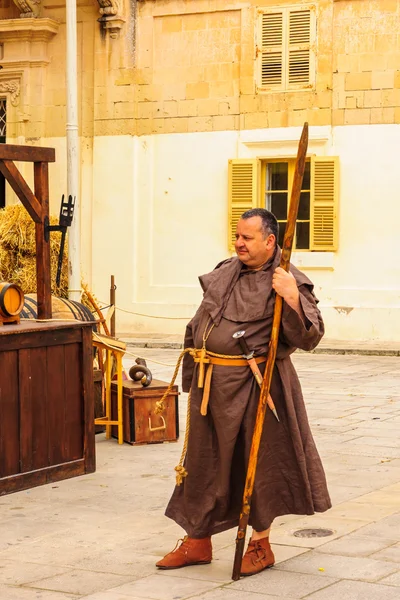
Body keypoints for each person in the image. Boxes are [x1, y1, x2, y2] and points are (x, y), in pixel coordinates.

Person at [156, 208, 331, 577]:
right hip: (211, 386)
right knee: (202, 464)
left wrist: (293, 298)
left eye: (247, 238)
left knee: (261, 465)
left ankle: (260, 544)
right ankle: (198, 540)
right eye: (237, 236)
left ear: (270, 241)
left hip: (257, 388)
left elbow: (311, 336)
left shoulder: (288, 279)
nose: (238, 243)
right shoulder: (226, 272)